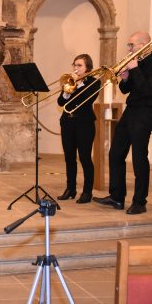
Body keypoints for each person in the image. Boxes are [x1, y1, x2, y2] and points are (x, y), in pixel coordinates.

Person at [94, 31, 152, 215]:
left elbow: (146, 90)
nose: (129, 49)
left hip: (146, 112)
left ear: (144, 44)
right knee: (115, 152)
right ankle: (117, 197)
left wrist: (134, 69)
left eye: (131, 45)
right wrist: (126, 77)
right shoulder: (139, 61)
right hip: (131, 110)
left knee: (139, 157)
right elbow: (127, 89)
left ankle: (139, 202)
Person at [56, 54, 100, 204]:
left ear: (88, 68)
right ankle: (70, 189)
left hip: (84, 124)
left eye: (79, 65)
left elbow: (86, 99)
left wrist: (78, 84)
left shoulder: (95, 82)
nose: (75, 68)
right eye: (74, 65)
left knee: (85, 158)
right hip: (67, 123)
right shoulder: (69, 81)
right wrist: (67, 91)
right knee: (69, 158)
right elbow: (61, 102)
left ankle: (87, 192)